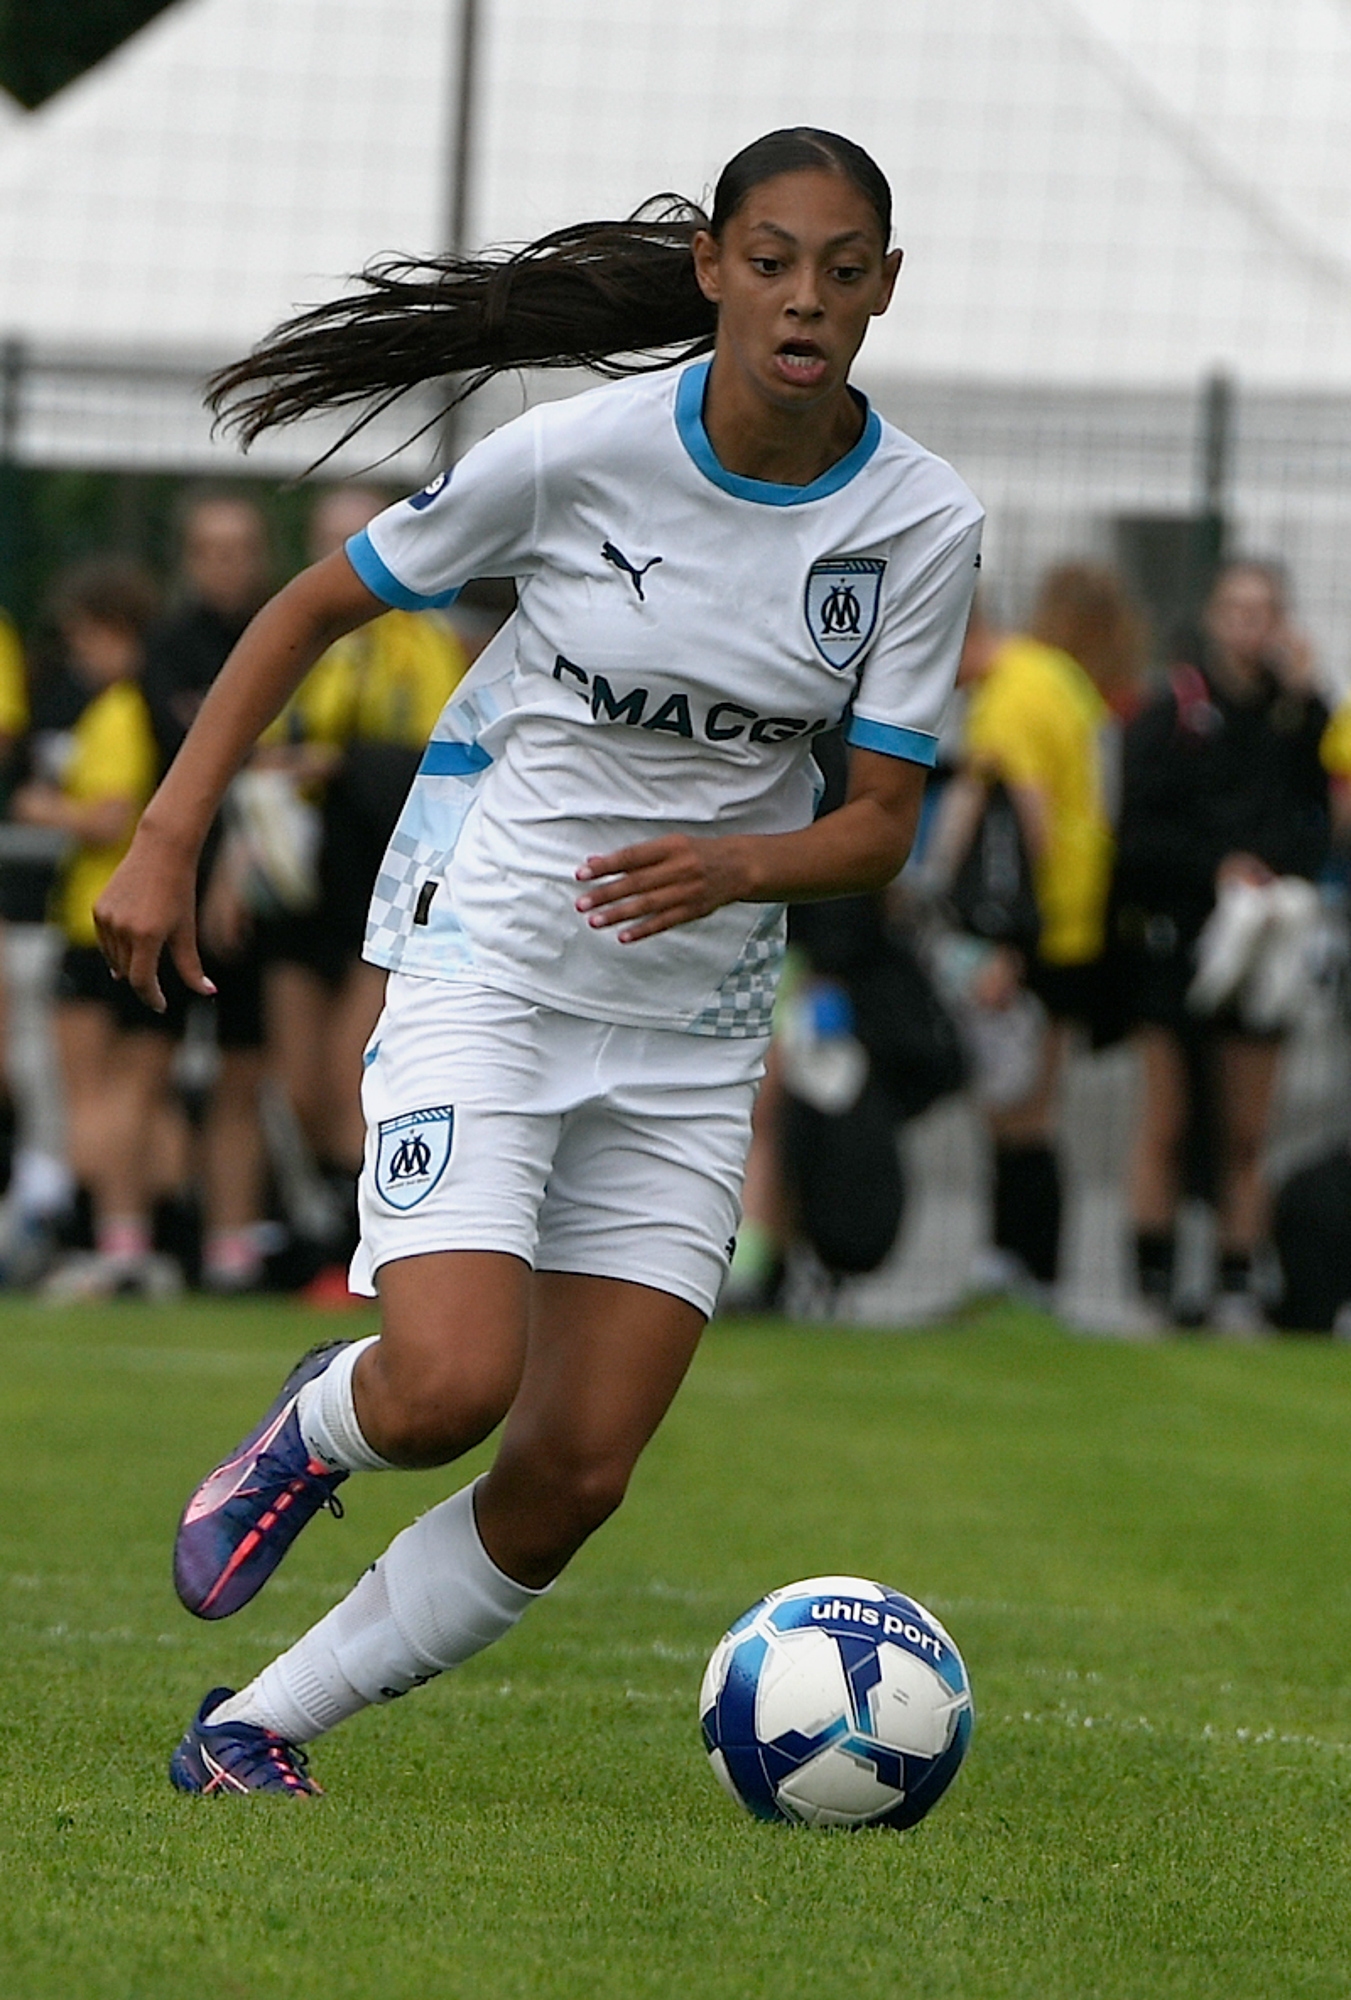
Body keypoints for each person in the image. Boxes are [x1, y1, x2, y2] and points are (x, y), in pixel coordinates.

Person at [96, 128, 983, 1796]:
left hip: (691, 1033)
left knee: (574, 1472)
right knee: (447, 1390)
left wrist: (737, 862)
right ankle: (318, 1423)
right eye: (771, 262)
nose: (803, 298)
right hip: (489, 960)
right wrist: (166, 835)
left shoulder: (921, 522)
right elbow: (305, 610)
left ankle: (252, 1729)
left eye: (840, 269)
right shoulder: (579, 454)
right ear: (712, 269)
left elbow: (879, 825)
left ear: (883, 290)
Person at [1113, 560, 1329, 1329]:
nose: (1247, 625)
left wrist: (1306, 709)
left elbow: (1315, 820)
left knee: (1244, 1132)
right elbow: (1136, 833)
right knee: (1166, 1122)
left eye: (1261, 610)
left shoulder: (1296, 717)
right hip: (1179, 940)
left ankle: (1236, 1281)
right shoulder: (1173, 707)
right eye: (1234, 608)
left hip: (1264, 944)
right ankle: (1152, 1283)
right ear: (1211, 616)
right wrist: (1214, 867)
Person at [927, 565, 1144, 1303]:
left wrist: (989, 925)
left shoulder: (1006, 701)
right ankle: (1022, 1264)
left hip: (1031, 931)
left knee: (1015, 1108)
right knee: (1032, 1100)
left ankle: (1024, 1264)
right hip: (1074, 922)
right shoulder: (1052, 674)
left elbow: (1028, 820)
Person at [10, 559, 184, 1296]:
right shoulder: (165, 708)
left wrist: (40, 806)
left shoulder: (117, 710)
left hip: (98, 917)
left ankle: (95, 1232)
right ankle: (136, 1235)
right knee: (145, 1092)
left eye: (84, 637)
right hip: (160, 915)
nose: (78, 654)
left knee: (92, 1093)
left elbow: (109, 816)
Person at [141, 491, 276, 1290]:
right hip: (173, 887)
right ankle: (142, 1234)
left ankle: (233, 1246)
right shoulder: (166, 647)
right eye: (212, 550)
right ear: (190, 559)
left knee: (242, 1074)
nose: (227, 566)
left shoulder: (283, 638)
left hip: (258, 898)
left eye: (241, 550)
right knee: (149, 1067)